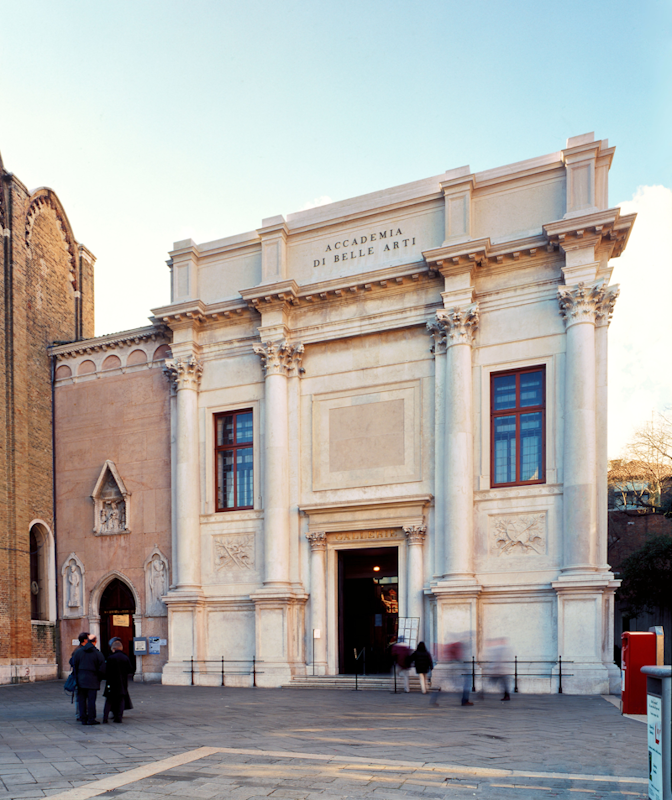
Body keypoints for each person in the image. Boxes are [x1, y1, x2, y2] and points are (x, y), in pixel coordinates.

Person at [71, 632, 106, 725]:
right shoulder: (98, 654)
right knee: (91, 700)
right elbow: (102, 669)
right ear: (95, 641)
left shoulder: (78, 652)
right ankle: (91, 718)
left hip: (81, 679)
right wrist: (99, 678)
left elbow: (74, 665)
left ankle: (83, 718)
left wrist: (77, 676)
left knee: (82, 699)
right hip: (93, 680)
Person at [103, 638, 133, 724]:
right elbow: (130, 669)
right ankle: (119, 718)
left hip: (111, 682)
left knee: (109, 700)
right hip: (122, 682)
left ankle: (105, 718)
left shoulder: (110, 658)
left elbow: (105, 671)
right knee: (121, 700)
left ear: (113, 649)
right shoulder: (125, 657)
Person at [69, 632, 89, 722]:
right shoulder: (82, 651)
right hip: (81, 677)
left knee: (79, 697)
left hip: (78, 676)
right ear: (85, 640)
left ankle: (79, 714)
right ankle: (82, 714)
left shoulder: (77, 650)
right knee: (81, 697)